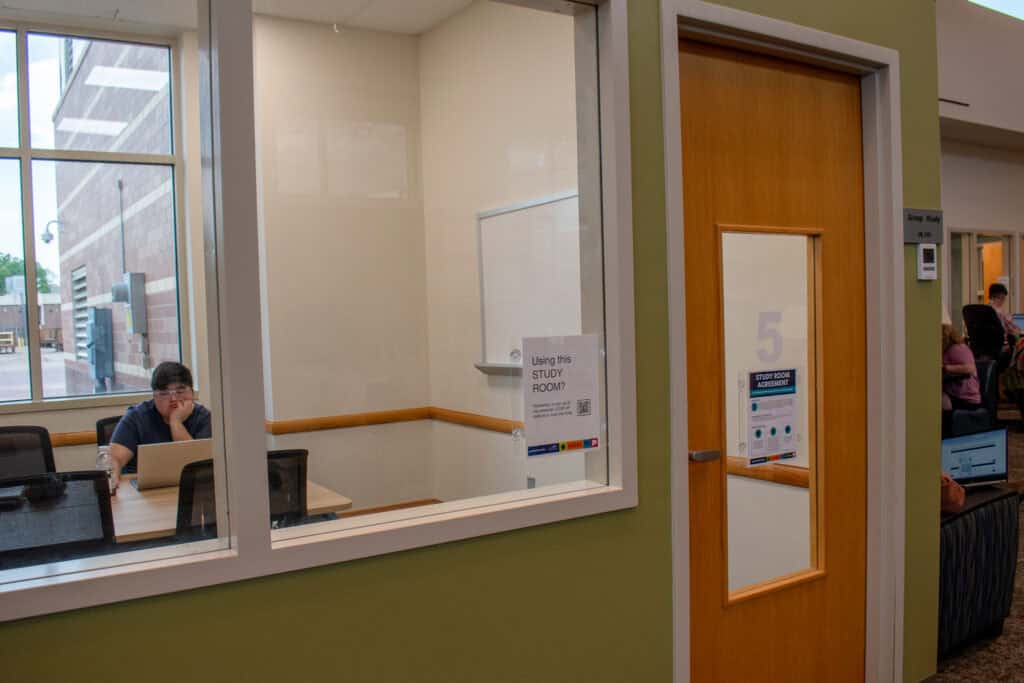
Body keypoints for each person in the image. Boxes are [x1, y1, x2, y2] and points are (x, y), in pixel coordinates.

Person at [108, 361, 211, 492]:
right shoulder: (137, 416)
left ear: (192, 393)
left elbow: (198, 468)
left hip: (191, 492)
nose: (173, 399)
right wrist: (113, 475)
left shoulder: (203, 418)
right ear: (154, 396)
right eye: (164, 394)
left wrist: (176, 422)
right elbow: (115, 457)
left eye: (180, 391)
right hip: (144, 494)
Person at [942, 324, 981, 436]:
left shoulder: (957, 348)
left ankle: (947, 432)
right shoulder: (950, 349)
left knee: (939, 398)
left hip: (966, 397)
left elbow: (970, 368)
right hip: (957, 394)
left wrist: (945, 368)